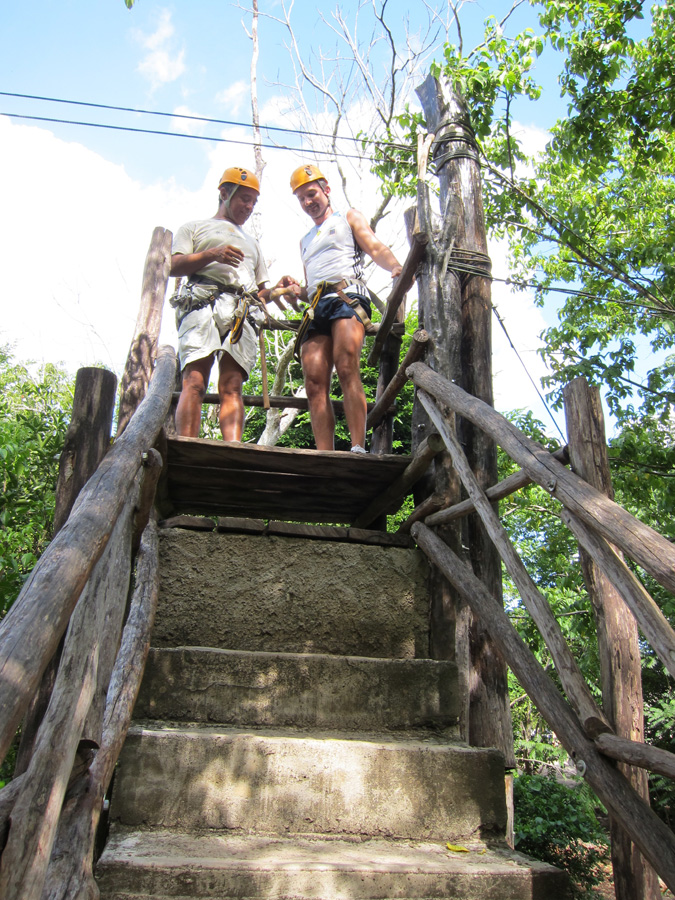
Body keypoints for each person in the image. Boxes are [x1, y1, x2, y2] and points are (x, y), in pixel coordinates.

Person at [170, 166, 295, 441]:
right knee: (194, 380)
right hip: (202, 301)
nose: (249, 207)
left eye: (253, 201)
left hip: (242, 310)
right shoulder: (193, 228)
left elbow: (260, 294)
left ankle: (232, 449)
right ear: (224, 193)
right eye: (244, 199)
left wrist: (278, 290)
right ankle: (188, 446)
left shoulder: (253, 243)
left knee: (232, 385)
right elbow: (173, 265)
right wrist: (213, 254)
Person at [289, 163, 403, 452]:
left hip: (346, 297)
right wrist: (296, 292)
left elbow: (374, 247)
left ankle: (357, 445)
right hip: (317, 307)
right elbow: (311, 286)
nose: (307, 202)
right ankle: (324, 452)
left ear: (327, 190)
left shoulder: (348, 218)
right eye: (301, 198)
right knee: (314, 381)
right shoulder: (304, 241)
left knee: (346, 363)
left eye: (312, 194)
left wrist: (396, 267)